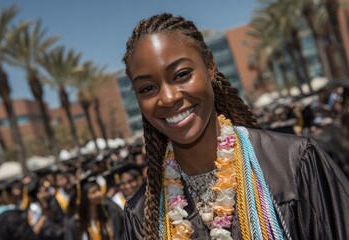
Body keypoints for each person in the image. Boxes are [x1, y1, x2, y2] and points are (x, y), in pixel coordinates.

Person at [121, 13, 349, 240]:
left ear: (210, 66)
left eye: (181, 74)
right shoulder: (143, 216)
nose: (168, 97)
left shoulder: (291, 164)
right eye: (147, 88)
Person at [65, 174, 124, 240]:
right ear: (85, 197)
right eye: (93, 192)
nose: (99, 194)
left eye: (98, 190)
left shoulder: (108, 212)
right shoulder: (75, 223)